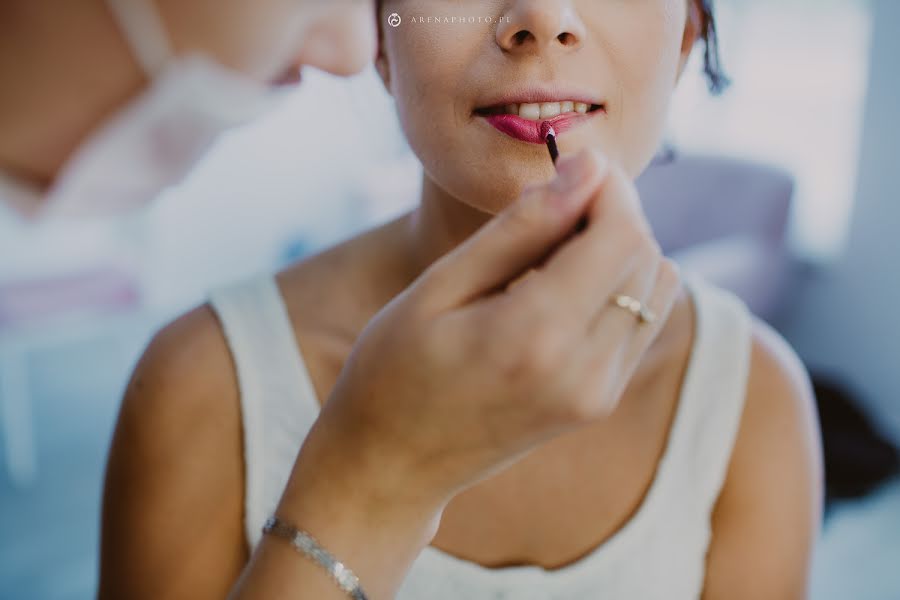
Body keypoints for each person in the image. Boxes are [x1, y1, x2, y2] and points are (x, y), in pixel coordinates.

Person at [100, 0, 823, 599]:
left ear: (687, 39)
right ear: (380, 37)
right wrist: (372, 482)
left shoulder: (755, 399)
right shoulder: (201, 382)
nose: (541, 18)